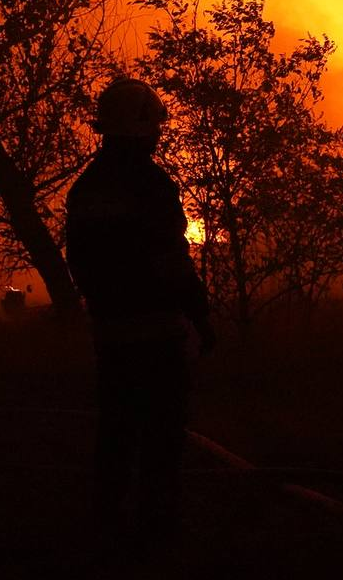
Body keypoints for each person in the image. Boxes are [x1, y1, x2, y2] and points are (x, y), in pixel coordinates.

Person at [65, 77, 216, 553]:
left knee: (116, 430)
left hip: (110, 332)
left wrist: (102, 304)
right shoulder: (151, 185)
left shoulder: (86, 187)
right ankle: (156, 527)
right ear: (141, 129)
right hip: (155, 332)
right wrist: (200, 314)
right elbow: (170, 258)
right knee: (161, 434)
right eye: (155, 128)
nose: (159, 136)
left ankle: (105, 522)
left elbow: (80, 261)